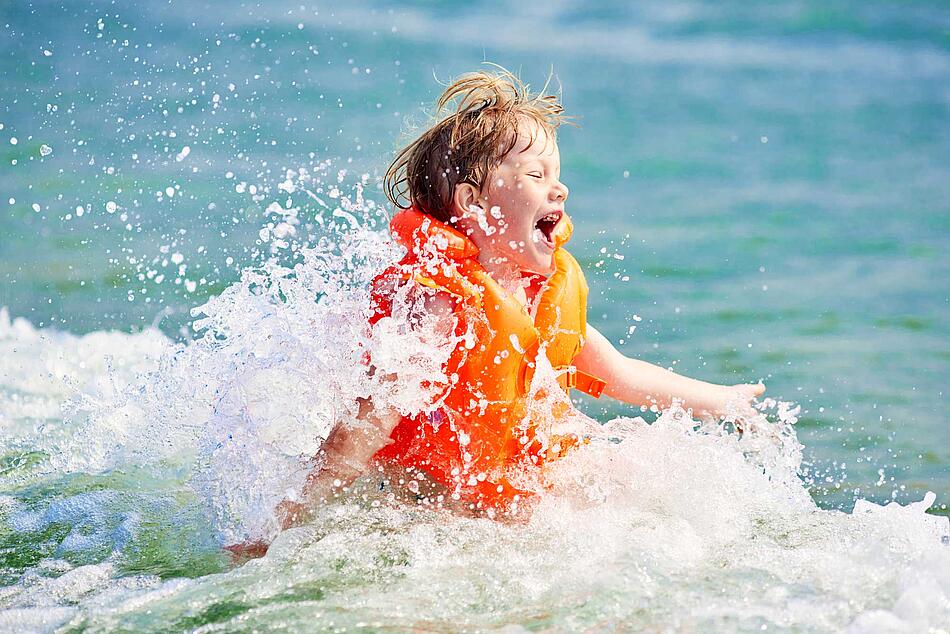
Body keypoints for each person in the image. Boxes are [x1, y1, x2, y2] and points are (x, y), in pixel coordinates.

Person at [265, 67, 764, 543]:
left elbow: (619, 374)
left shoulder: (536, 297)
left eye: (558, 174)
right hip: (435, 508)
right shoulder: (442, 307)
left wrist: (722, 401)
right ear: (472, 202)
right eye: (536, 173)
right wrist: (286, 523)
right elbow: (369, 418)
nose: (560, 187)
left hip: (519, 499)